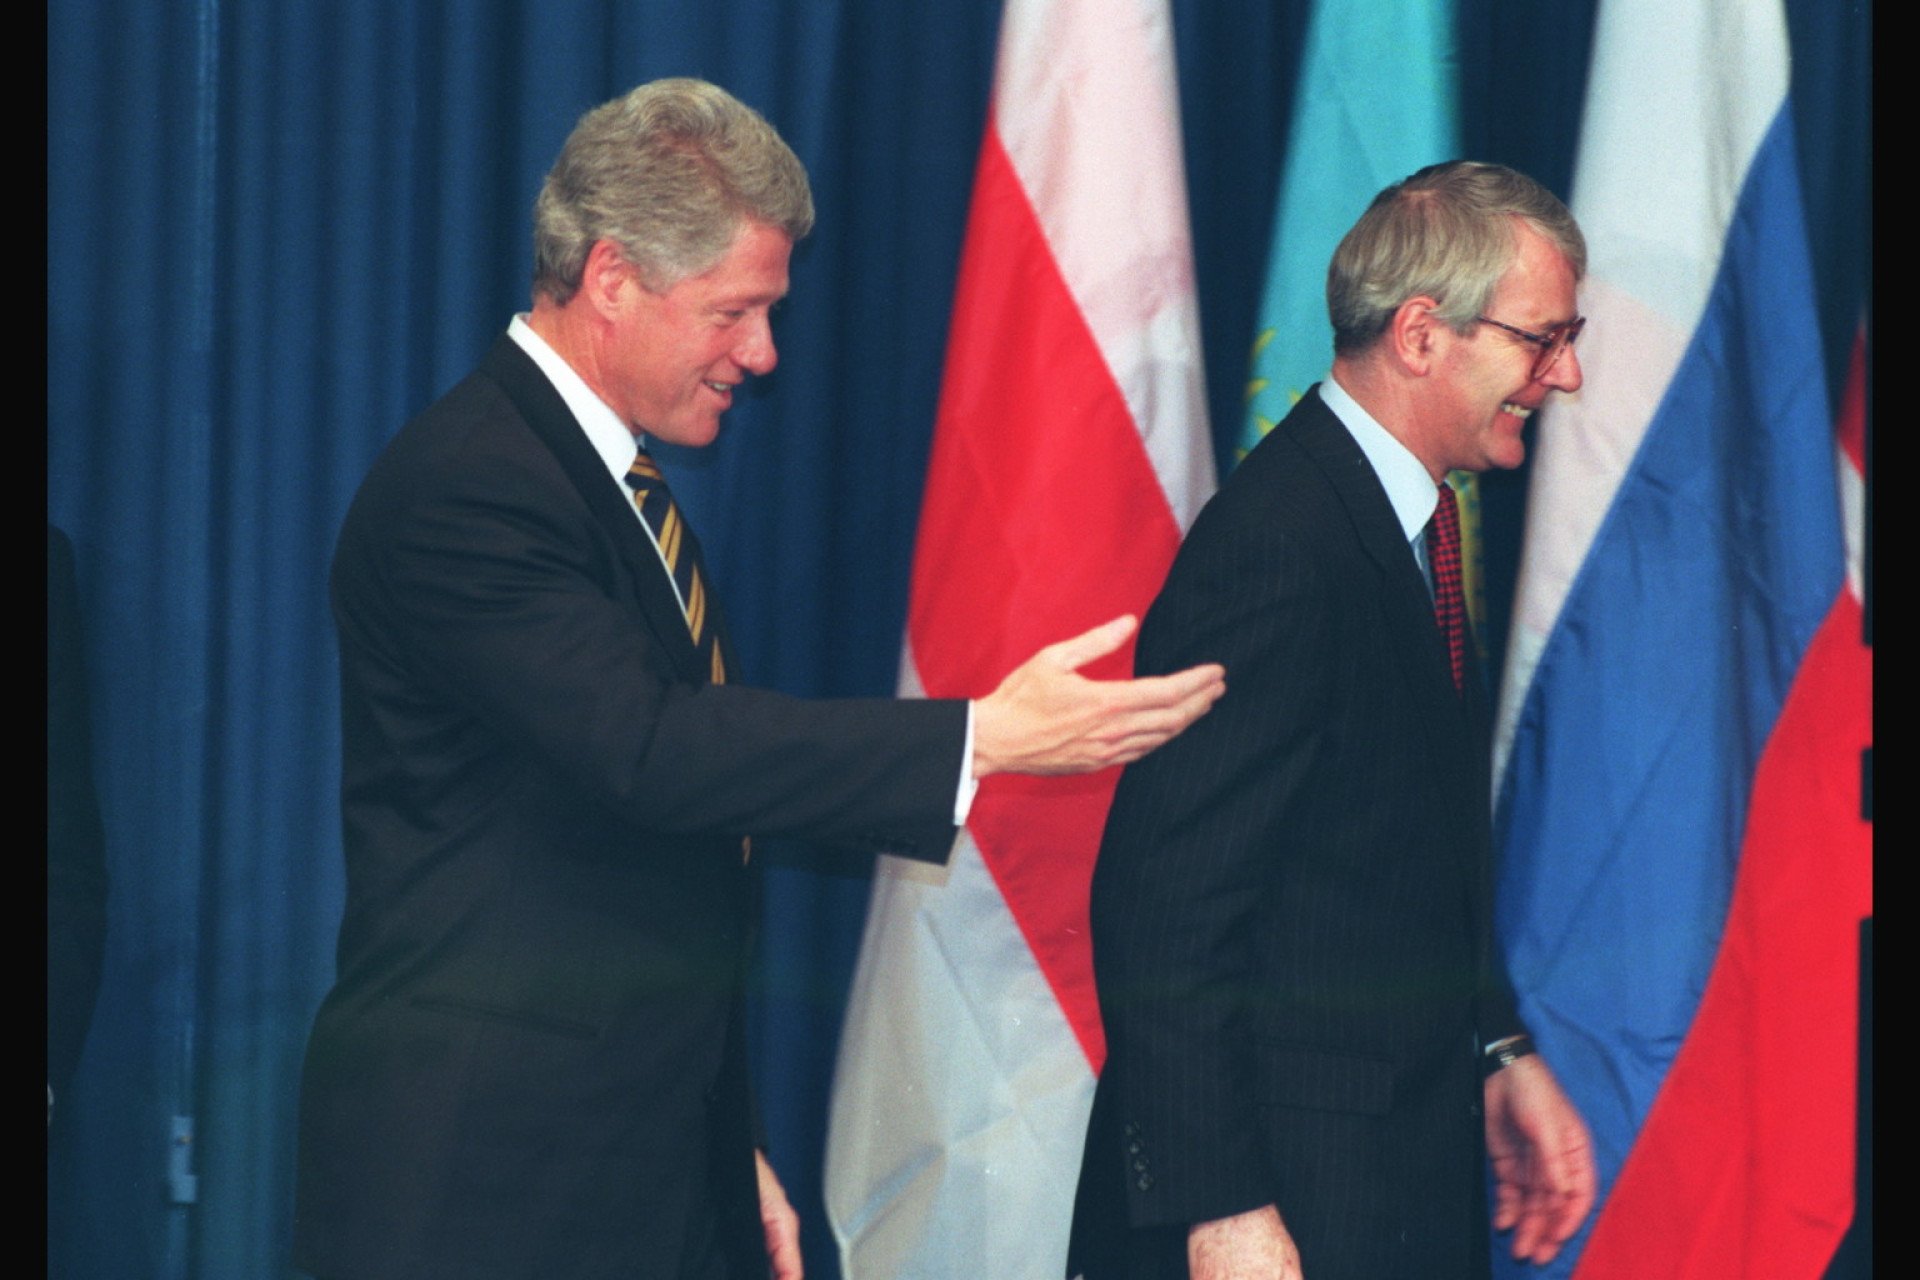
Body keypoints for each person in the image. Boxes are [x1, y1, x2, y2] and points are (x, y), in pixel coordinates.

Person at [291, 78, 1223, 1280]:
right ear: (613, 279)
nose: (765, 353)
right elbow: (654, 751)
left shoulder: (602, 482)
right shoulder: (471, 486)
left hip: (633, 1157)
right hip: (485, 1183)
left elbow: (658, 864)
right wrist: (979, 735)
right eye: (735, 311)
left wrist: (722, 1140)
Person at [1067, 161, 1597, 1280]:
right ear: (1420, 333)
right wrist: (1221, 1209)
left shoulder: (1408, 526)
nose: (1567, 374)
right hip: (1285, 1207)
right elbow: (1164, 909)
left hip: (1384, 1178)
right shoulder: (1279, 548)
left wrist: (1496, 1047)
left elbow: (1390, 857)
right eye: (1541, 341)